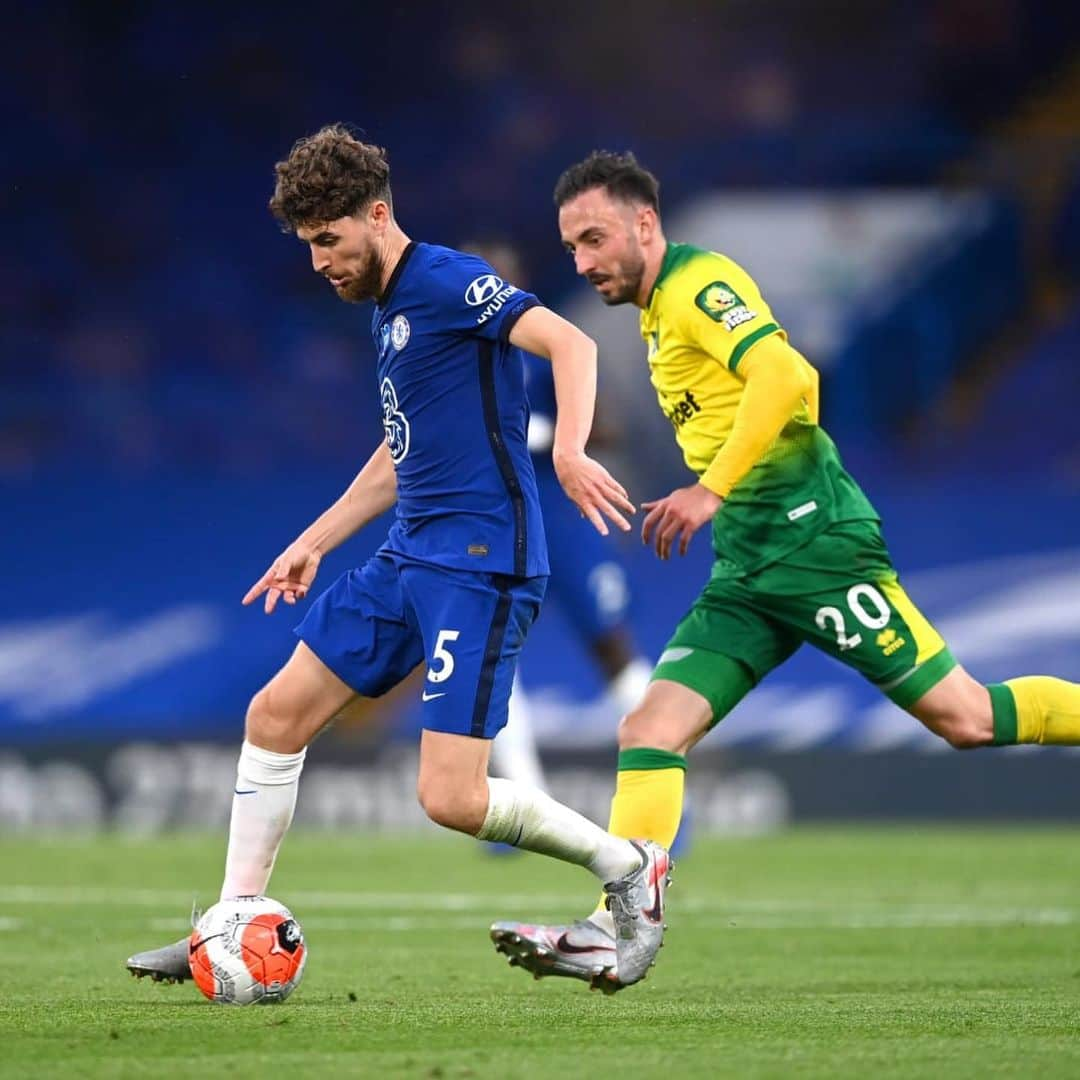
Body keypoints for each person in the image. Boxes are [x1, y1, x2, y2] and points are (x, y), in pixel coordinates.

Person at [492, 149, 1080, 988]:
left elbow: (786, 372)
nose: (584, 263)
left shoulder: (698, 284)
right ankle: (616, 925)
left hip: (817, 550)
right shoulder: (658, 314)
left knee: (967, 718)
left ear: (645, 224)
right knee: (649, 730)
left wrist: (707, 489)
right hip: (750, 570)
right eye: (573, 248)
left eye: (595, 239)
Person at [125, 127, 671, 994]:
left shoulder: (449, 281)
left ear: (377, 216)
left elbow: (574, 344)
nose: (318, 263)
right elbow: (399, 451)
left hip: (480, 564)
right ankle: (226, 924)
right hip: (408, 553)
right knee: (274, 717)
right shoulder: (390, 312)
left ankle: (630, 868)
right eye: (308, 246)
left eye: (328, 241)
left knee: (451, 798)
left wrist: (567, 450)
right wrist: (313, 540)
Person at [462, 241, 654, 798]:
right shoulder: (452, 353)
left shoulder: (548, 344)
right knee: (491, 652)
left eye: (496, 277)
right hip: (492, 520)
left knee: (610, 643)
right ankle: (524, 799)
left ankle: (658, 793)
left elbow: (610, 427)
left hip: (561, 515)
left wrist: (548, 433)